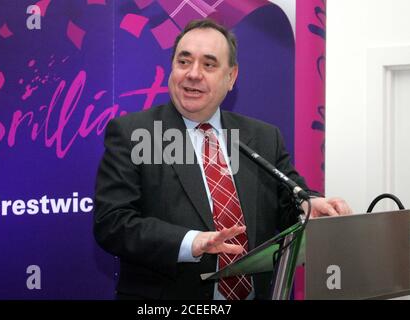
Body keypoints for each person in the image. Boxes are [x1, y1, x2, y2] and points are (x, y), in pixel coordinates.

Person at [93, 18, 352, 300]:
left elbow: (289, 200)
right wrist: (192, 241)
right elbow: (113, 224)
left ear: (231, 77)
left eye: (209, 64)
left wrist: (309, 206)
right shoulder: (134, 134)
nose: (193, 74)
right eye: (184, 61)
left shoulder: (263, 137)